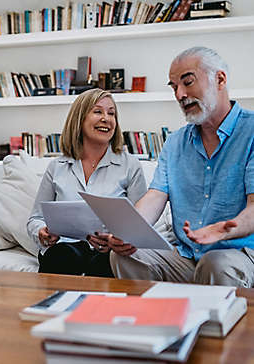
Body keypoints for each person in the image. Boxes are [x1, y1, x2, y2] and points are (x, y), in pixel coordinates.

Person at [91, 46, 254, 288]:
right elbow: (156, 195)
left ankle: (215, 326)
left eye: (187, 82)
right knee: (125, 256)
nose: (180, 94)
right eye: (174, 87)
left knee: (216, 263)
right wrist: (127, 232)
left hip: (238, 253)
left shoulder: (250, 131)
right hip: (186, 255)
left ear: (220, 79)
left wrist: (225, 230)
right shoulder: (175, 142)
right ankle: (152, 323)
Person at [27, 88, 147, 277]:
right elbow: (35, 219)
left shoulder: (130, 165)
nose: (106, 118)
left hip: (108, 253)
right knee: (62, 255)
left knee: (106, 263)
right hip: (64, 250)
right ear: (79, 119)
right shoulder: (57, 167)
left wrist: (115, 240)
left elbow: (141, 224)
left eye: (111, 113)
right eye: (98, 111)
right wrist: (41, 232)